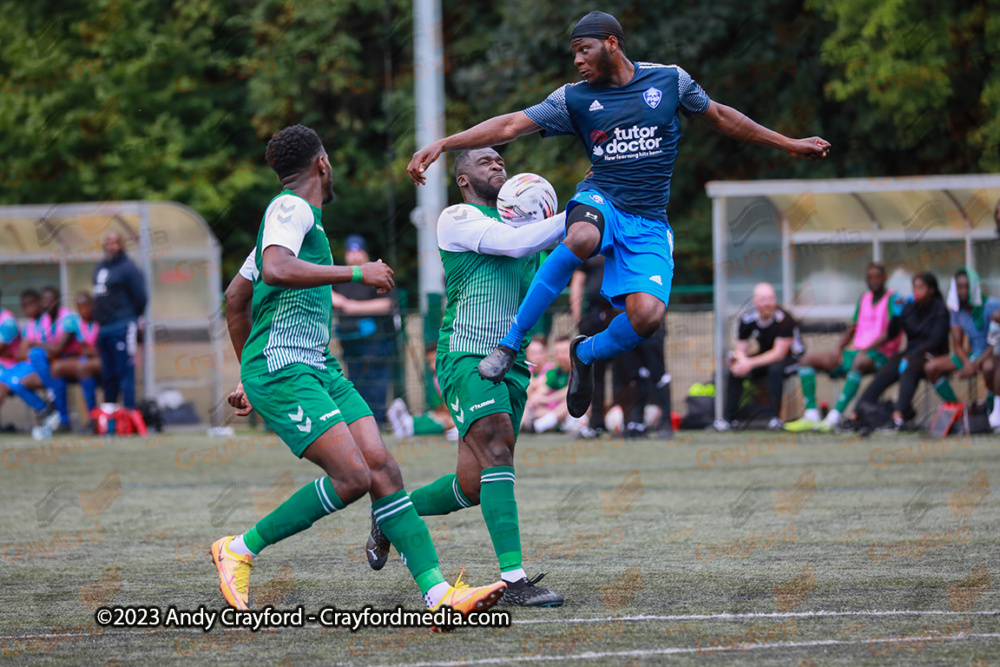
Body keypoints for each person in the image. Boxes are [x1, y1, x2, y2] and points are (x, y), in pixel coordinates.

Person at [407, 11, 830, 419]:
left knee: (647, 317)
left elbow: (720, 116)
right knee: (582, 240)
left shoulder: (670, 81)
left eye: (583, 50)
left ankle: (585, 353)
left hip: (648, 221)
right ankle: (511, 342)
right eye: (574, 53)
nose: (577, 60)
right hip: (601, 199)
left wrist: (788, 143)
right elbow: (510, 126)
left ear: (611, 43)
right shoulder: (573, 97)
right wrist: (444, 144)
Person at [214, 124, 505, 620]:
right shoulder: (291, 208)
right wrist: (357, 272)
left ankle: (439, 596)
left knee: (383, 469)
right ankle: (239, 548)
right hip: (284, 368)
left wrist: (243, 371)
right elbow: (278, 269)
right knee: (352, 476)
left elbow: (235, 299)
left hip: (318, 367)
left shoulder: (292, 226)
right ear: (321, 164)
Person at [370, 147, 565, 607]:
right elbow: (518, 244)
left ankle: (392, 513)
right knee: (498, 449)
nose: (498, 164)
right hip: (467, 357)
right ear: (462, 179)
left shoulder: (525, 230)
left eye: (501, 159)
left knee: (473, 486)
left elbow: (545, 266)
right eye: (485, 161)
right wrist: (587, 209)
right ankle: (514, 579)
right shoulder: (456, 217)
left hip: (511, 364)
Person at [784, 263, 900, 432]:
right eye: (869, 277)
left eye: (877, 277)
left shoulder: (893, 299)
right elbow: (853, 327)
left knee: (859, 362)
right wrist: (838, 347)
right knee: (806, 360)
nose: (873, 281)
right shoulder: (864, 298)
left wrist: (866, 348)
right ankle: (811, 415)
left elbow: (892, 331)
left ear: (884, 278)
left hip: (882, 355)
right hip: (857, 352)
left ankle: (834, 417)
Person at [854, 271, 951, 429]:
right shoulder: (909, 307)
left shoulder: (940, 310)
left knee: (909, 364)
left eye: (921, 287)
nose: (917, 291)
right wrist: (897, 314)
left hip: (932, 354)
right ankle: (859, 410)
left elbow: (936, 340)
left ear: (932, 290)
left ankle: (899, 415)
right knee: (890, 365)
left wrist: (912, 354)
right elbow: (893, 333)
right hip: (911, 353)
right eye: (914, 287)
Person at [714, 283, 804, 431]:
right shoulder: (747, 319)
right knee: (735, 370)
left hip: (792, 358)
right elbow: (740, 349)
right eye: (762, 299)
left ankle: (774, 419)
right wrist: (742, 363)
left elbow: (779, 353)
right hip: (764, 357)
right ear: (754, 301)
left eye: (770, 299)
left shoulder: (784, 319)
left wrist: (749, 363)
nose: (767, 303)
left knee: (775, 369)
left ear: (775, 300)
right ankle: (729, 420)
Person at [330, 234, 397, 429]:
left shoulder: (377, 272)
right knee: (354, 382)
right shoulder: (341, 275)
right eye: (350, 251)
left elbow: (387, 303)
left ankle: (377, 421)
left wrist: (352, 307)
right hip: (350, 340)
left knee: (376, 382)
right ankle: (360, 422)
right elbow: (323, 288)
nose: (354, 255)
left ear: (365, 252)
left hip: (377, 341)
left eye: (358, 251)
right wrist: (340, 302)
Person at [923, 268, 1000, 405]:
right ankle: (957, 409)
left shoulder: (992, 305)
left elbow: (994, 343)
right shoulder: (956, 310)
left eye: (967, 287)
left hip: (992, 354)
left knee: (989, 367)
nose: (963, 291)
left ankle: (991, 410)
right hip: (972, 355)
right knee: (931, 367)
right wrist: (967, 363)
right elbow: (957, 344)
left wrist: (974, 364)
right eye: (959, 287)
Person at [92, 230, 147, 420]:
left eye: (114, 242)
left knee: (125, 371)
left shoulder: (128, 268)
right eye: (107, 241)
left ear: (121, 244)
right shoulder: (101, 267)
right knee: (108, 373)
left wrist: (129, 316)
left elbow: (141, 297)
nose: (110, 245)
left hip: (123, 325)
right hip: (104, 328)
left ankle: (130, 412)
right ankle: (110, 415)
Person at [0, 289, 60, 438]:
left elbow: (51, 348)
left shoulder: (8, 322)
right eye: (25, 306)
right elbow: (22, 352)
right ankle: (46, 411)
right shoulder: (30, 325)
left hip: (37, 366)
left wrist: (33, 344)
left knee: (13, 382)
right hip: (21, 365)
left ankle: (46, 410)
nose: (28, 309)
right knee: (10, 381)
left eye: (31, 305)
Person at [570, 255, 615, 438]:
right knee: (594, 373)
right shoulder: (591, 250)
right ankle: (596, 421)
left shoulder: (621, 245)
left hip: (619, 315)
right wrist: (578, 317)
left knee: (623, 370)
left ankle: (630, 420)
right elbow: (577, 283)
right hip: (594, 317)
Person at [523, 336, 575, 434]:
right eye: (557, 352)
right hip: (555, 410)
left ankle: (542, 424)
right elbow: (543, 389)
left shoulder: (579, 370)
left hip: (578, 410)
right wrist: (534, 400)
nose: (561, 355)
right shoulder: (555, 371)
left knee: (572, 400)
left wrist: (546, 399)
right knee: (533, 408)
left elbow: (572, 390)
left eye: (565, 351)